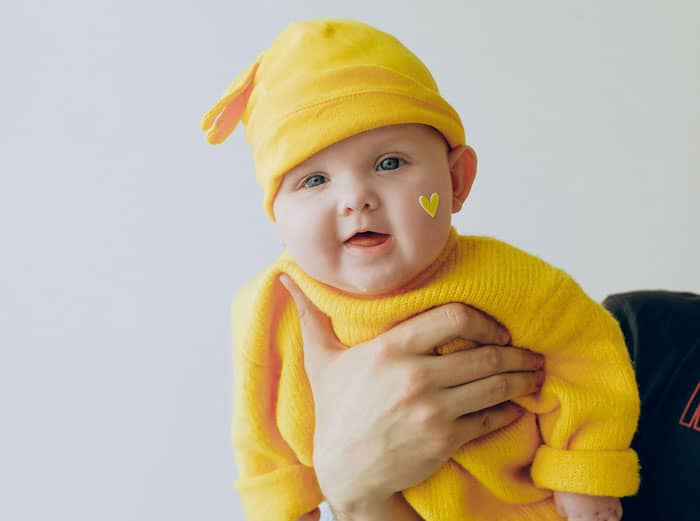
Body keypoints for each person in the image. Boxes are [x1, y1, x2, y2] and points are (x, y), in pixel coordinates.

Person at [201, 19, 640, 520]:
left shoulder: (510, 281)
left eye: (389, 163)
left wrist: (586, 472)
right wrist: (281, 503)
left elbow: (589, 358)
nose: (356, 198)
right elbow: (256, 425)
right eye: (314, 180)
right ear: (277, 217)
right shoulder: (270, 303)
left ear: (457, 180)